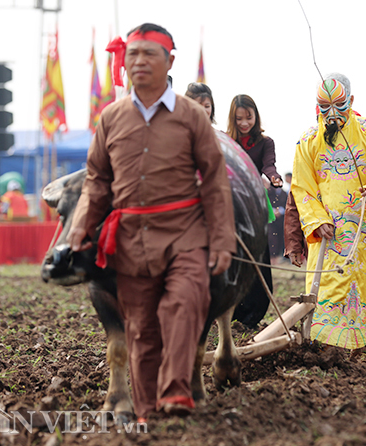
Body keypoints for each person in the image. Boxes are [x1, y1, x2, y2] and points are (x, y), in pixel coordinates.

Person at [66, 23, 235, 419]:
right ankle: (146, 412)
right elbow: (97, 180)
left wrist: (224, 240)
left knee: (185, 301)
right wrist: (79, 226)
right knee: (140, 327)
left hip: (185, 234)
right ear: (124, 63)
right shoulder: (110, 119)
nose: (139, 62)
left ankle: (176, 392)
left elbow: (213, 180)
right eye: (133, 55)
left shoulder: (192, 116)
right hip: (131, 239)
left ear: (169, 61)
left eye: (149, 54)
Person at [292, 73, 366, 368]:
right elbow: (302, 188)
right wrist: (315, 220)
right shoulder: (308, 141)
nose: (332, 114)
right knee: (328, 290)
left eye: (339, 105)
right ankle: (328, 358)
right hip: (330, 234)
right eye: (324, 107)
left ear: (352, 101)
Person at [227, 94, 282, 326]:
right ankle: (227, 311)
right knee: (231, 258)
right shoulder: (225, 141)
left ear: (255, 116)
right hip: (230, 205)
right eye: (239, 118)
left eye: (249, 117)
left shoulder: (265, 142)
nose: (244, 123)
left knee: (257, 258)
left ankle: (253, 314)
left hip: (256, 205)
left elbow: (269, 164)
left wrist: (273, 177)